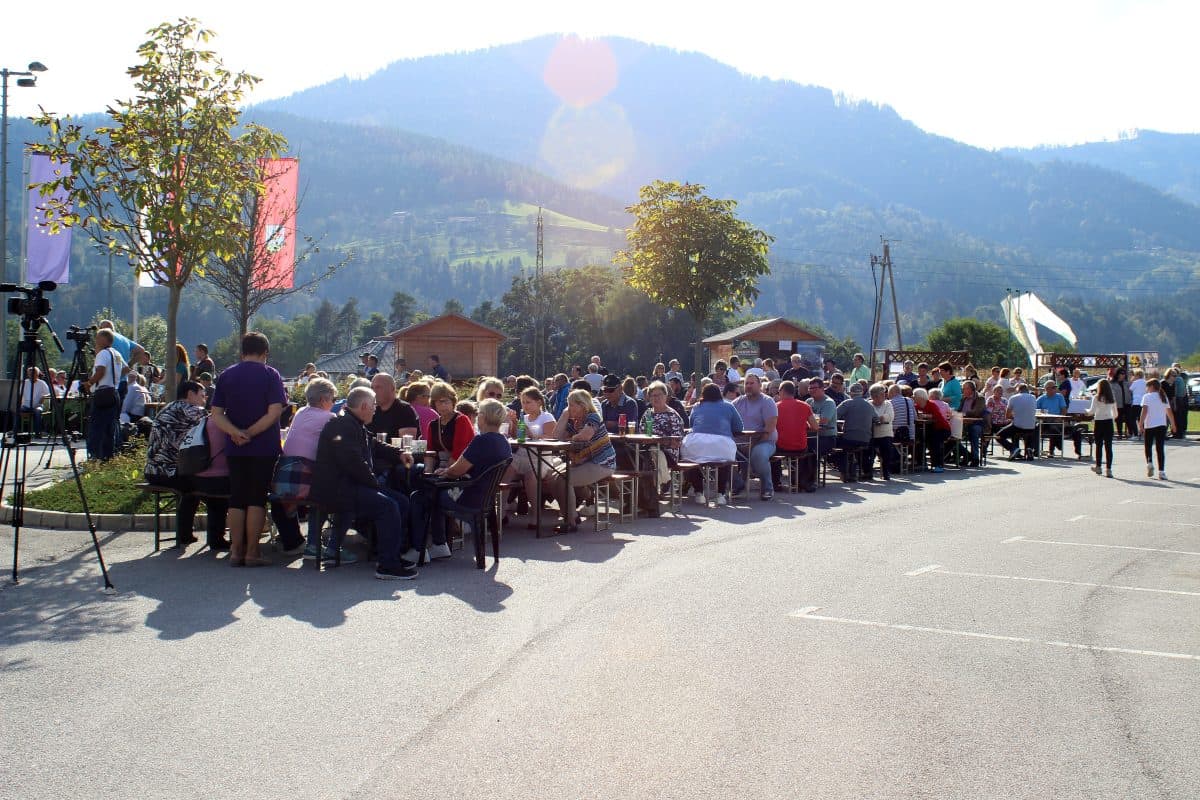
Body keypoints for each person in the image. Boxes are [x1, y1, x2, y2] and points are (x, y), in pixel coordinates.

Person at [311, 386, 418, 579]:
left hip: (349, 485)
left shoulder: (352, 423)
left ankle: (389, 554)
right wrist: (375, 485)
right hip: (337, 491)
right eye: (373, 406)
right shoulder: (342, 425)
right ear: (363, 406)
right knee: (388, 505)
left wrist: (399, 453)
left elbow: (374, 444)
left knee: (401, 501)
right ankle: (387, 566)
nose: (375, 409)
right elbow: (353, 463)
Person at [210, 332, 288, 567]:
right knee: (257, 497)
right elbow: (275, 412)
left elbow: (216, 414)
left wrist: (235, 432)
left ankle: (236, 550)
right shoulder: (271, 374)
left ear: (242, 352)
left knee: (237, 496)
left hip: (234, 446)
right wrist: (250, 433)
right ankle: (253, 551)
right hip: (263, 445)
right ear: (265, 352)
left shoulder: (226, 375)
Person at [408, 398, 513, 562]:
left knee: (420, 497)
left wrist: (444, 471)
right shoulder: (503, 441)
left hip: (467, 496)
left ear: (483, 417)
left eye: (479, 414)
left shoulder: (481, 441)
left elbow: (457, 470)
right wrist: (448, 472)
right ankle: (439, 544)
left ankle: (419, 549)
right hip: (485, 496)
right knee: (432, 493)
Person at [144, 380, 229, 550]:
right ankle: (216, 539)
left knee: (192, 491)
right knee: (215, 491)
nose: (205, 399)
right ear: (190, 394)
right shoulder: (192, 410)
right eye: (202, 395)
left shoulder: (167, 408)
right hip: (171, 471)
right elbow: (217, 423)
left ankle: (184, 534)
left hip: (153, 471)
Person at [273, 378, 341, 559]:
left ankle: (297, 540)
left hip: (283, 474)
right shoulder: (329, 418)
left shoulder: (301, 412)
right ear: (324, 400)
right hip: (302, 478)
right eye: (333, 399)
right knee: (331, 491)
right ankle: (317, 543)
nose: (333, 403)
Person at [549, 389, 617, 531]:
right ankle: (573, 514)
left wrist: (570, 438)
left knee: (563, 479)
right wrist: (564, 414)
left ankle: (570, 522)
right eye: (568, 405)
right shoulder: (573, 421)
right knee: (552, 477)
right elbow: (556, 436)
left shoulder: (593, 417)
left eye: (572, 405)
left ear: (583, 405)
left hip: (602, 463)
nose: (569, 408)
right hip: (583, 462)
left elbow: (585, 435)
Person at [681, 383, 743, 505]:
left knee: (692, 461)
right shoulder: (729, 406)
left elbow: (692, 424)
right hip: (722, 443)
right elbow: (739, 427)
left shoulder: (697, 406)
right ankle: (721, 494)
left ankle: (699, 493)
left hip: (697, 442)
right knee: (724, 461)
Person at [81, 328, 128, 461]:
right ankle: (108, 456)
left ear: (103, 339)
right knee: (109, 428)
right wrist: (115, 377)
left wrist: (89, 383)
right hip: (114, 392)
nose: (95, 341)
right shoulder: (116, 353)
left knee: (96, 426)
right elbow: (126, 368)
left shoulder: (102, 354)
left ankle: (95, 456)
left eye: (97, 338)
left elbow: (100, 371)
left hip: (102, 393)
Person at [732, 374, 778, 499]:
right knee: (722, 453)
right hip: (739, 443)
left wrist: (752, 445)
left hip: (764, 442)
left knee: (759, 455)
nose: (748, 386)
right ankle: (737, 484)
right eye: (746, 383)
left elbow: (769, 428)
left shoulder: (767, 402)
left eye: (752, 383)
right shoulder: (737, 402)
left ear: (759, 385)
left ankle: (767, 489)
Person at [640, 380, 685, 493]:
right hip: (647, 449)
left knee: (654, 451)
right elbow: (642, 433)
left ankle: (659, 485)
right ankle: (662, 481)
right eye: (653, 396)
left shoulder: (672, 415)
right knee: (639, 455)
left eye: (659, 395)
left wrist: (660, 442)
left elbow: (676, 441)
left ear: (666, 396)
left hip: (668, 452)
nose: (656, 398)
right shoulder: (648, 414)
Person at [773, 380, 818, 491]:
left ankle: (775, 482)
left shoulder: (775, 407)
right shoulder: (805, 406)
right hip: (800, 447)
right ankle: (804, 481)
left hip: (781, 446)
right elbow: (815, 427)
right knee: (811, 450)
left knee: (770, 451)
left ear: (782, 391)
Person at [423, 381, 475, 473]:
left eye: (446, 401)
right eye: (439, 402)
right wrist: (428, 471)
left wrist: (445, 471)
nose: (443, 405)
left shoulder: (461, 420)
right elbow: (430, 452)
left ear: (453, 401)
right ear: (434, 404)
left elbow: (459, 452)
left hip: (458, 469)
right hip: (438, 467)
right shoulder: (433, 424)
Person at [1139, 378, 1177, 480]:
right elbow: (1169, 412)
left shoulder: (1147, 397)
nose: (1146, 389)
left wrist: (1141, 424)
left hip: (1150, 425)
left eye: (1147, 387)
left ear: (1151, 387)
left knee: (1148, 446)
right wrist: (1173, 425)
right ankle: (1161, 472)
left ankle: (1149, 462)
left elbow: (1144, 411)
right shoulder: (1163, 396)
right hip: (1161, 425)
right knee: (1160, 448)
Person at [835, 383, 875, 480]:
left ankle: (845, 472)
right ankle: (865, 471)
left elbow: (834, 415)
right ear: (862, 392)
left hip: (849, 438)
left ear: (850, 393)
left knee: (838, 446)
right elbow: (876, 419)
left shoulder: (847, 403)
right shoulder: (869, 405)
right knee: (859, 447)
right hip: (866, 439)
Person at [368, 373, 420, 440]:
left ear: (392, 388)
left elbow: (407, 443)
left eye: (378, 387)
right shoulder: (372, 410)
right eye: (372, 388)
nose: (373, 391)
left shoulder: (404, 411)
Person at [1035, 380, 1078, 458]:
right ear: (1047, 389)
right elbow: (1034, 409)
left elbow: (1064, 409)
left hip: (1057, 420)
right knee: (1052, 428)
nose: (1055, 389)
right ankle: (1054, 448)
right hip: (1046, 422)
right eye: (1053, 387)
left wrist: (1060, 418)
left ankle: (1078, 452)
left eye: (1055, 387)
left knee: (1076, 430)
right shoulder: (1041, 398)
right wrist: (1040, 412)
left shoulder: (1059, 397)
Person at [995, 383, 1038, 460]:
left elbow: (1007, 415)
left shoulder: (1013, 398)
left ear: (1018, 390)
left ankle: (1013, 448)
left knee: (998, 436)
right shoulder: (1033, 397)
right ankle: (1029, 448)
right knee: (1032, 428)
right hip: (1031, 426)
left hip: (1018, 426)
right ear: (1027, 390)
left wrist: (1015, 417)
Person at [1088, 378, 1117, 477]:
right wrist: (1111, 417)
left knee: (1099, 445)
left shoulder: (1096, 398)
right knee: (1108, 446)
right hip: (1108, 422)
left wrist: (1086, 411)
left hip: (1099, 422)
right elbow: (1115, 413)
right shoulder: (1111, 398)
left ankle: (1098, 466)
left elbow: (1092, 411)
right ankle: (1109, 469)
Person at [866, 383, 895, 480]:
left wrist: (879, 418)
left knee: (887, 451)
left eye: (884, 394)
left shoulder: (888, 404)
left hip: (885, 433)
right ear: (874, 396)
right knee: (869, 453)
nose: (885, 395)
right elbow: (867, 417)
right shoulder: (868, 404)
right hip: (871, 433)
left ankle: (886, 472)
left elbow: (890, 416)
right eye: (882, 394)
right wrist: (878, 418)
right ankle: (868, 472)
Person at [806, 378, 838, 461]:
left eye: (814, 388)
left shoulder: (828, 402)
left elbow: (823, 421)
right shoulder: (808, 401)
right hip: (811, 436)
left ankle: (811, 468)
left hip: (826, 438)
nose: (811, 390)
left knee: (808, 448)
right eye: (810, 388)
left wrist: (808, 422)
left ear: (822, 388)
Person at [958, 380, 986, 467]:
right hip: (963, 423)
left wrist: (963, 414)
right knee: (951, 433)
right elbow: (959, 410)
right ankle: (966, 455)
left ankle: (975, 458)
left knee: (974, 431)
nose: (963, 390)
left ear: (971, 389)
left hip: (977, 423)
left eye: (964, 388)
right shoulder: (963, 398)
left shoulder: (980, 398)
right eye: (963, 389)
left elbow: (977, 412)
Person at [19, 367, 50, 436]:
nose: (32, 375)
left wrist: (43, 396)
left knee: (38, 411)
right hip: (26, 405)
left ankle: (37, 432)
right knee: (16, 410)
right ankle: (15, 430)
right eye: (30, 374)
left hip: (37, 405)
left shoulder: (42, 383)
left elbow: (48, 393)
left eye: (34, 374)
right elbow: (20, 394)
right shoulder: (25, 383)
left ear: (37, 374)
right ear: (28, 374)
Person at [1109, 366, 1133, 439]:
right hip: (1118, 405)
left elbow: (1131, 392)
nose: (1123, 375)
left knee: (1129, 419)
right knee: (1118, 420)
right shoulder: (1112, 384)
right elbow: (1111, 394)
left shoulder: (1127, 383)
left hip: (1127, 404)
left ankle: (1131, 434)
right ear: (1117, 374)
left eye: (1124, 374)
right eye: (1122, 373)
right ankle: (1119, 434)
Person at [1129, 369, 1148, 439]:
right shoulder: (1146, 382)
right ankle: (1142, 433)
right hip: (1143, 403)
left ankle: (1136, 434)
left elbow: (1130, 389)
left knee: (1132, 419)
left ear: (1137, 375)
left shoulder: (1135, 382)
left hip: (1136, 402)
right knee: (1142, 419)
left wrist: (1131, 381)